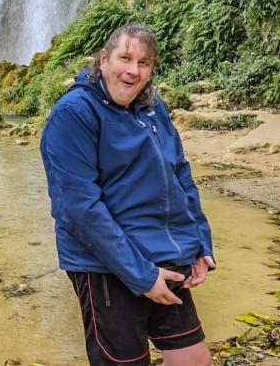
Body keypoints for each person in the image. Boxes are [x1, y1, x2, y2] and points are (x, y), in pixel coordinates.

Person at [40, 22, 215, 366]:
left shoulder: (152, 106)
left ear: (151, 70)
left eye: (144, 63)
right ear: (104, 59)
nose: (133, 71)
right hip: (106, 266)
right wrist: (142, 275)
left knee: (194, 360)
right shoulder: (74, 114)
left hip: (164, 254)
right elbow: (81, 209)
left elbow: (179, 173)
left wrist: (199, 245)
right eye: (125, 58)